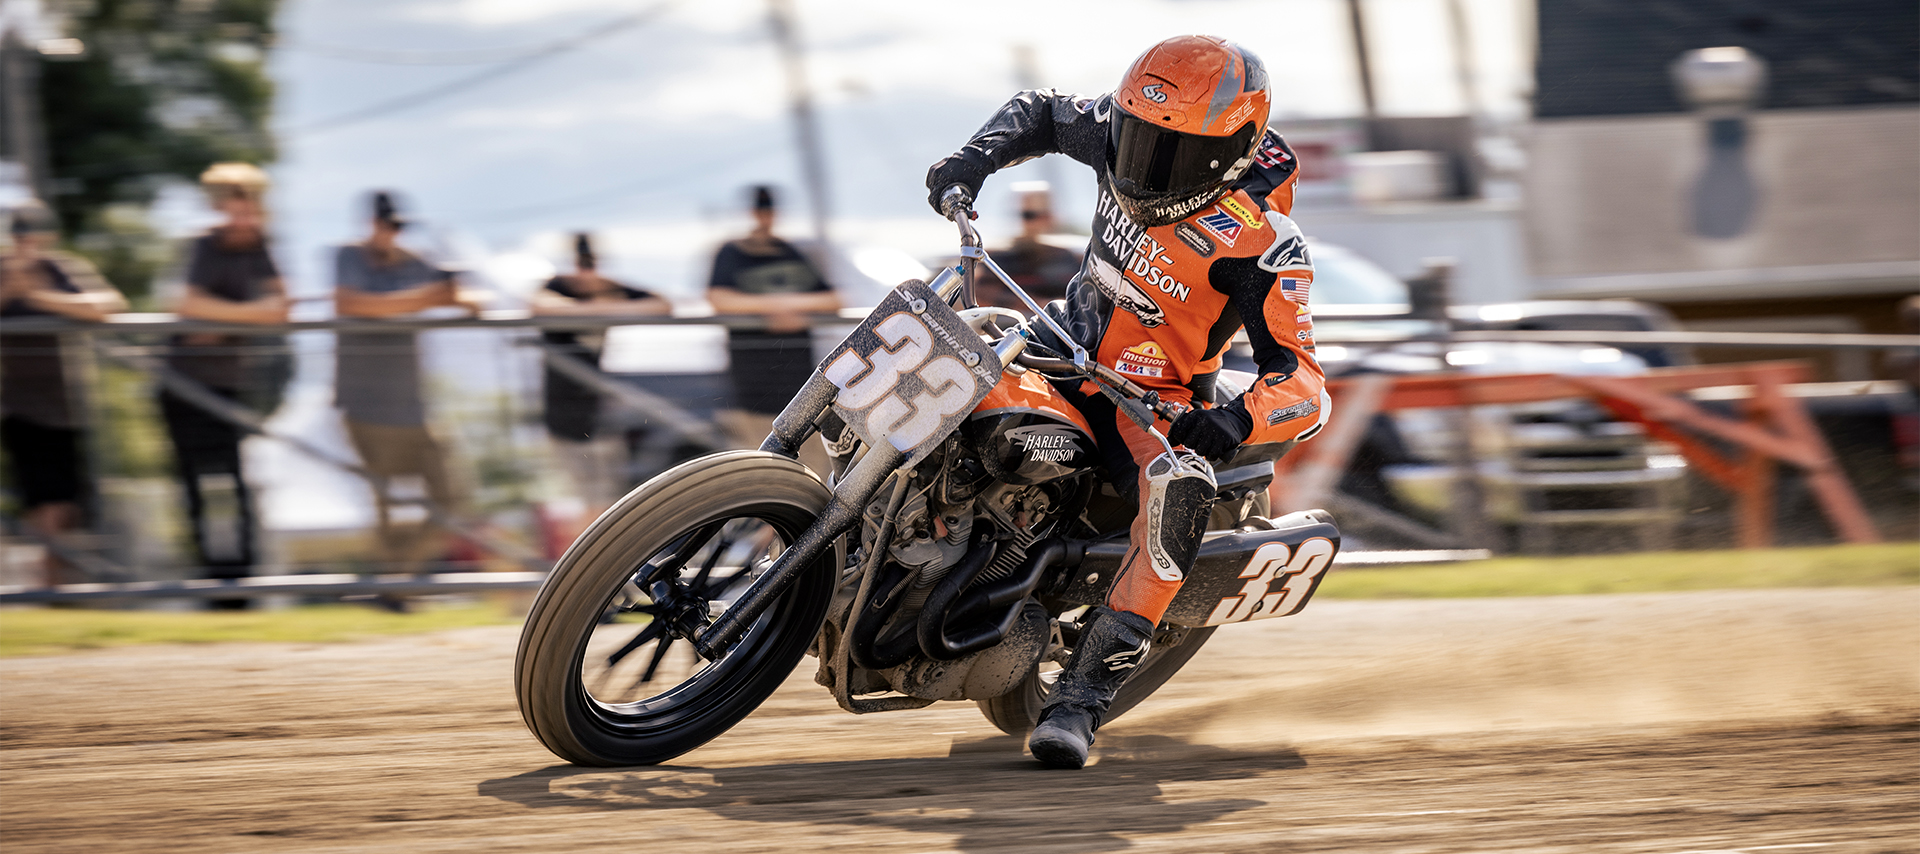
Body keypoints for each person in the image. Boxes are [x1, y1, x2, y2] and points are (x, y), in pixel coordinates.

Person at [925, 35, 1329, 768]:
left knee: (1180, 490)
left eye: (1168, 153)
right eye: (1135, 138)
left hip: (1151, 404)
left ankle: (1080, 700)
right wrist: (972, 159)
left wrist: (1234, 419)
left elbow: (1303, 383)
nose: (1140, 164)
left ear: (1232, 150)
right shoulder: (1119, 135)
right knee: (935, 337)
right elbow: (1041, 112)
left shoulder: (1266, 244)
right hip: (1054, 343)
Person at [159, 163, 289, 606]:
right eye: (231, 209)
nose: (240, 219)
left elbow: (279, 307)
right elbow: (185, 302)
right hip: (182, 383)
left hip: (229, 383)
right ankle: (210, 586)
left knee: (235, 485)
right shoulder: (203, 245)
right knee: (195, 487)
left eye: (247, 208)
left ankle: (242, 586)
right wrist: (247, 317)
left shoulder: (260, 247)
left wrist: (219, 319)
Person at [333, 191, 476, 572]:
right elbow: (352, 304)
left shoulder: (417, 262)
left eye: (397, 226)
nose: (391, 233)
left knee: (452, 496)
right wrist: (429, 296)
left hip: (413, 405)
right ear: (371, 224)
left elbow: (470, 299)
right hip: (364, 405)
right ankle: (390, 583)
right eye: (386, 225)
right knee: (387, 508)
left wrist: (455, 291)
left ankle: (393, 578)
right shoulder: (349, 255)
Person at [1, 202, 127, 587]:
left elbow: (107, 305)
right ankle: (48, 586)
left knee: (68, 504)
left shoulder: (60, 268)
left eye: (34, 233)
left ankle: (54, 581)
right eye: (21, 234)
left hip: (68, 406)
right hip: (19, 407)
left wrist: (40, 296)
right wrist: (11, 289)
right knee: (46, 501)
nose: (28, 242)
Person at [530, 233, 669, 516]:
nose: (585, 272)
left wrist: (602, 303)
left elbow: (664, 304)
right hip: (563, 416)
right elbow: (540, 306)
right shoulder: (555, 286)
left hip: (600, 413)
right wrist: (603, 306)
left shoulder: (609, 286)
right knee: (588, 502)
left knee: (610, 501)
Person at [706, 185, 839, 474]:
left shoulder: (790, 252)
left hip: (801, 390)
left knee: (812, 478)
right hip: (752, 391)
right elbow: (718, 299)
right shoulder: (731, 252)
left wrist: (788, 307)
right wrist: (773, 308)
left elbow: (834, 299)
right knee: (761, 481)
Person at [974, 182, 1082, 310]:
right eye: (1029, 215)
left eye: (1044, 214)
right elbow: (980, 298)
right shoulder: (992, 260)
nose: (1039, 221)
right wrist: (1039, 305)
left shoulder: (1071, 258)